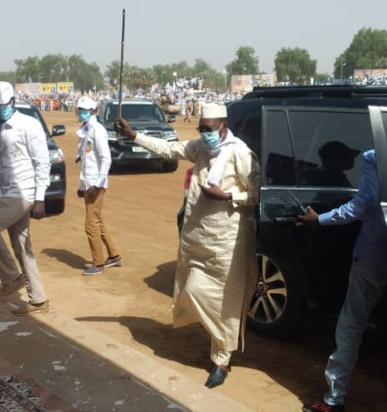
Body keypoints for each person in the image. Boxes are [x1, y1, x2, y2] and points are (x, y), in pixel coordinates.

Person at [297, 107, 387, 412]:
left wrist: (319, 219)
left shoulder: (374, 157)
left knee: (351, 324)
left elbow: (361, 204)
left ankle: (334, 398)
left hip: (374, 251)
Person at [114, 103, 259, 389]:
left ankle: (222, 359)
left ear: (223, 128)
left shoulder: (240, 153)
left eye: (208, 130)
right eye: (201, 129)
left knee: (225, 305)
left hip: (227, 242)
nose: (203, 134)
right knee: (193, 290)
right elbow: (170, 149)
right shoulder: (200, 149)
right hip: (197, 240)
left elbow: (257, 193)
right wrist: (134, 136)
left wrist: (228, 196)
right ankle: (218, 344)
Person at [0, 81, 51, 316]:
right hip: (7, 192)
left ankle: (11, 277)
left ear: (12, 102)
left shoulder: (28, 125)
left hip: (23, 193)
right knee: (22, 246)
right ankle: (38, 299)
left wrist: (39, 198)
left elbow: (42, 162)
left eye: (1, 104)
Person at [75, 96, 121, 276]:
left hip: (95, 185)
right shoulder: (86, 129)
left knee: (90, 224)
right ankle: (114, 255)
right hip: (88, 182)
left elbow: (105, 159)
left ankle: (98, 263)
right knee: (97, 220)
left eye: (85, 110)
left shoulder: (97, 130)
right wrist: (82, 185)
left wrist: (99, 184)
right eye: (80, 109)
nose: (82, 113)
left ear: (94, 111)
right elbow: (87, 161)